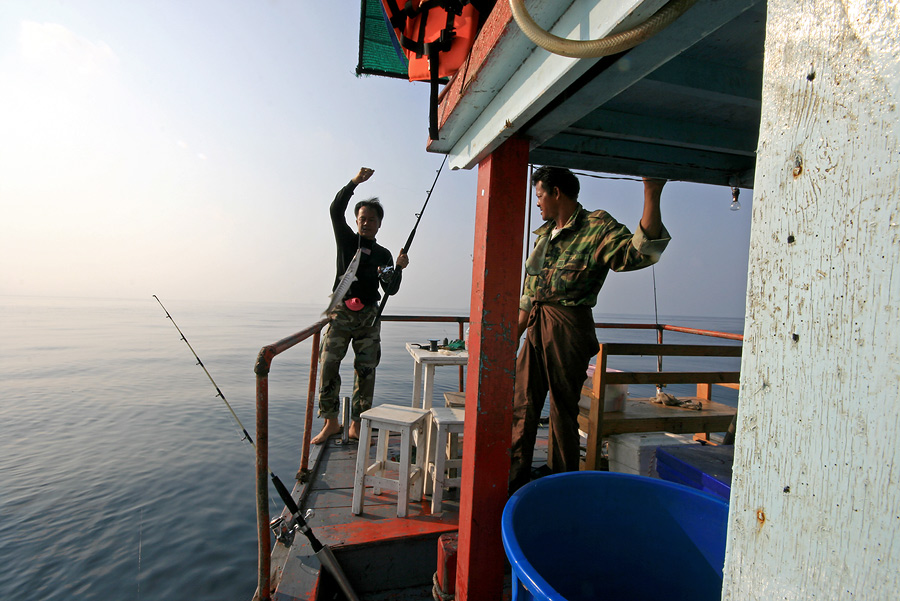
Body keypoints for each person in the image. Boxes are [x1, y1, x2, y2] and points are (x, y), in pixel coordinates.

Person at [509, 166, 670, 494]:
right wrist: (511, 337)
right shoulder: (543, 237)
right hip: (536, 326)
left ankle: (564, 484)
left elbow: (640, 253)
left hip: (568, 326)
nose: (537, 203)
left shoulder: (595, 226)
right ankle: (514, 480)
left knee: (562, 411)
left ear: (556, 193)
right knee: (523, 405)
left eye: (539, 195)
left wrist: (652, 191)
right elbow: (528, 296)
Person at [310, 167, 409, 444]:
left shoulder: (383, 254)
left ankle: (356, 425)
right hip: (340, 312)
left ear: (379, 224)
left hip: (368, 317)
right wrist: (355, 182)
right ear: (356, 221)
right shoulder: (346, 240)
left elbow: (391, 289)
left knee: (365, 371)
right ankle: (331, 422)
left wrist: (398, 269)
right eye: (362, 218)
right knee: (328, 364)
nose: (366, 223)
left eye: (371, 219)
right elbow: (334, 209)